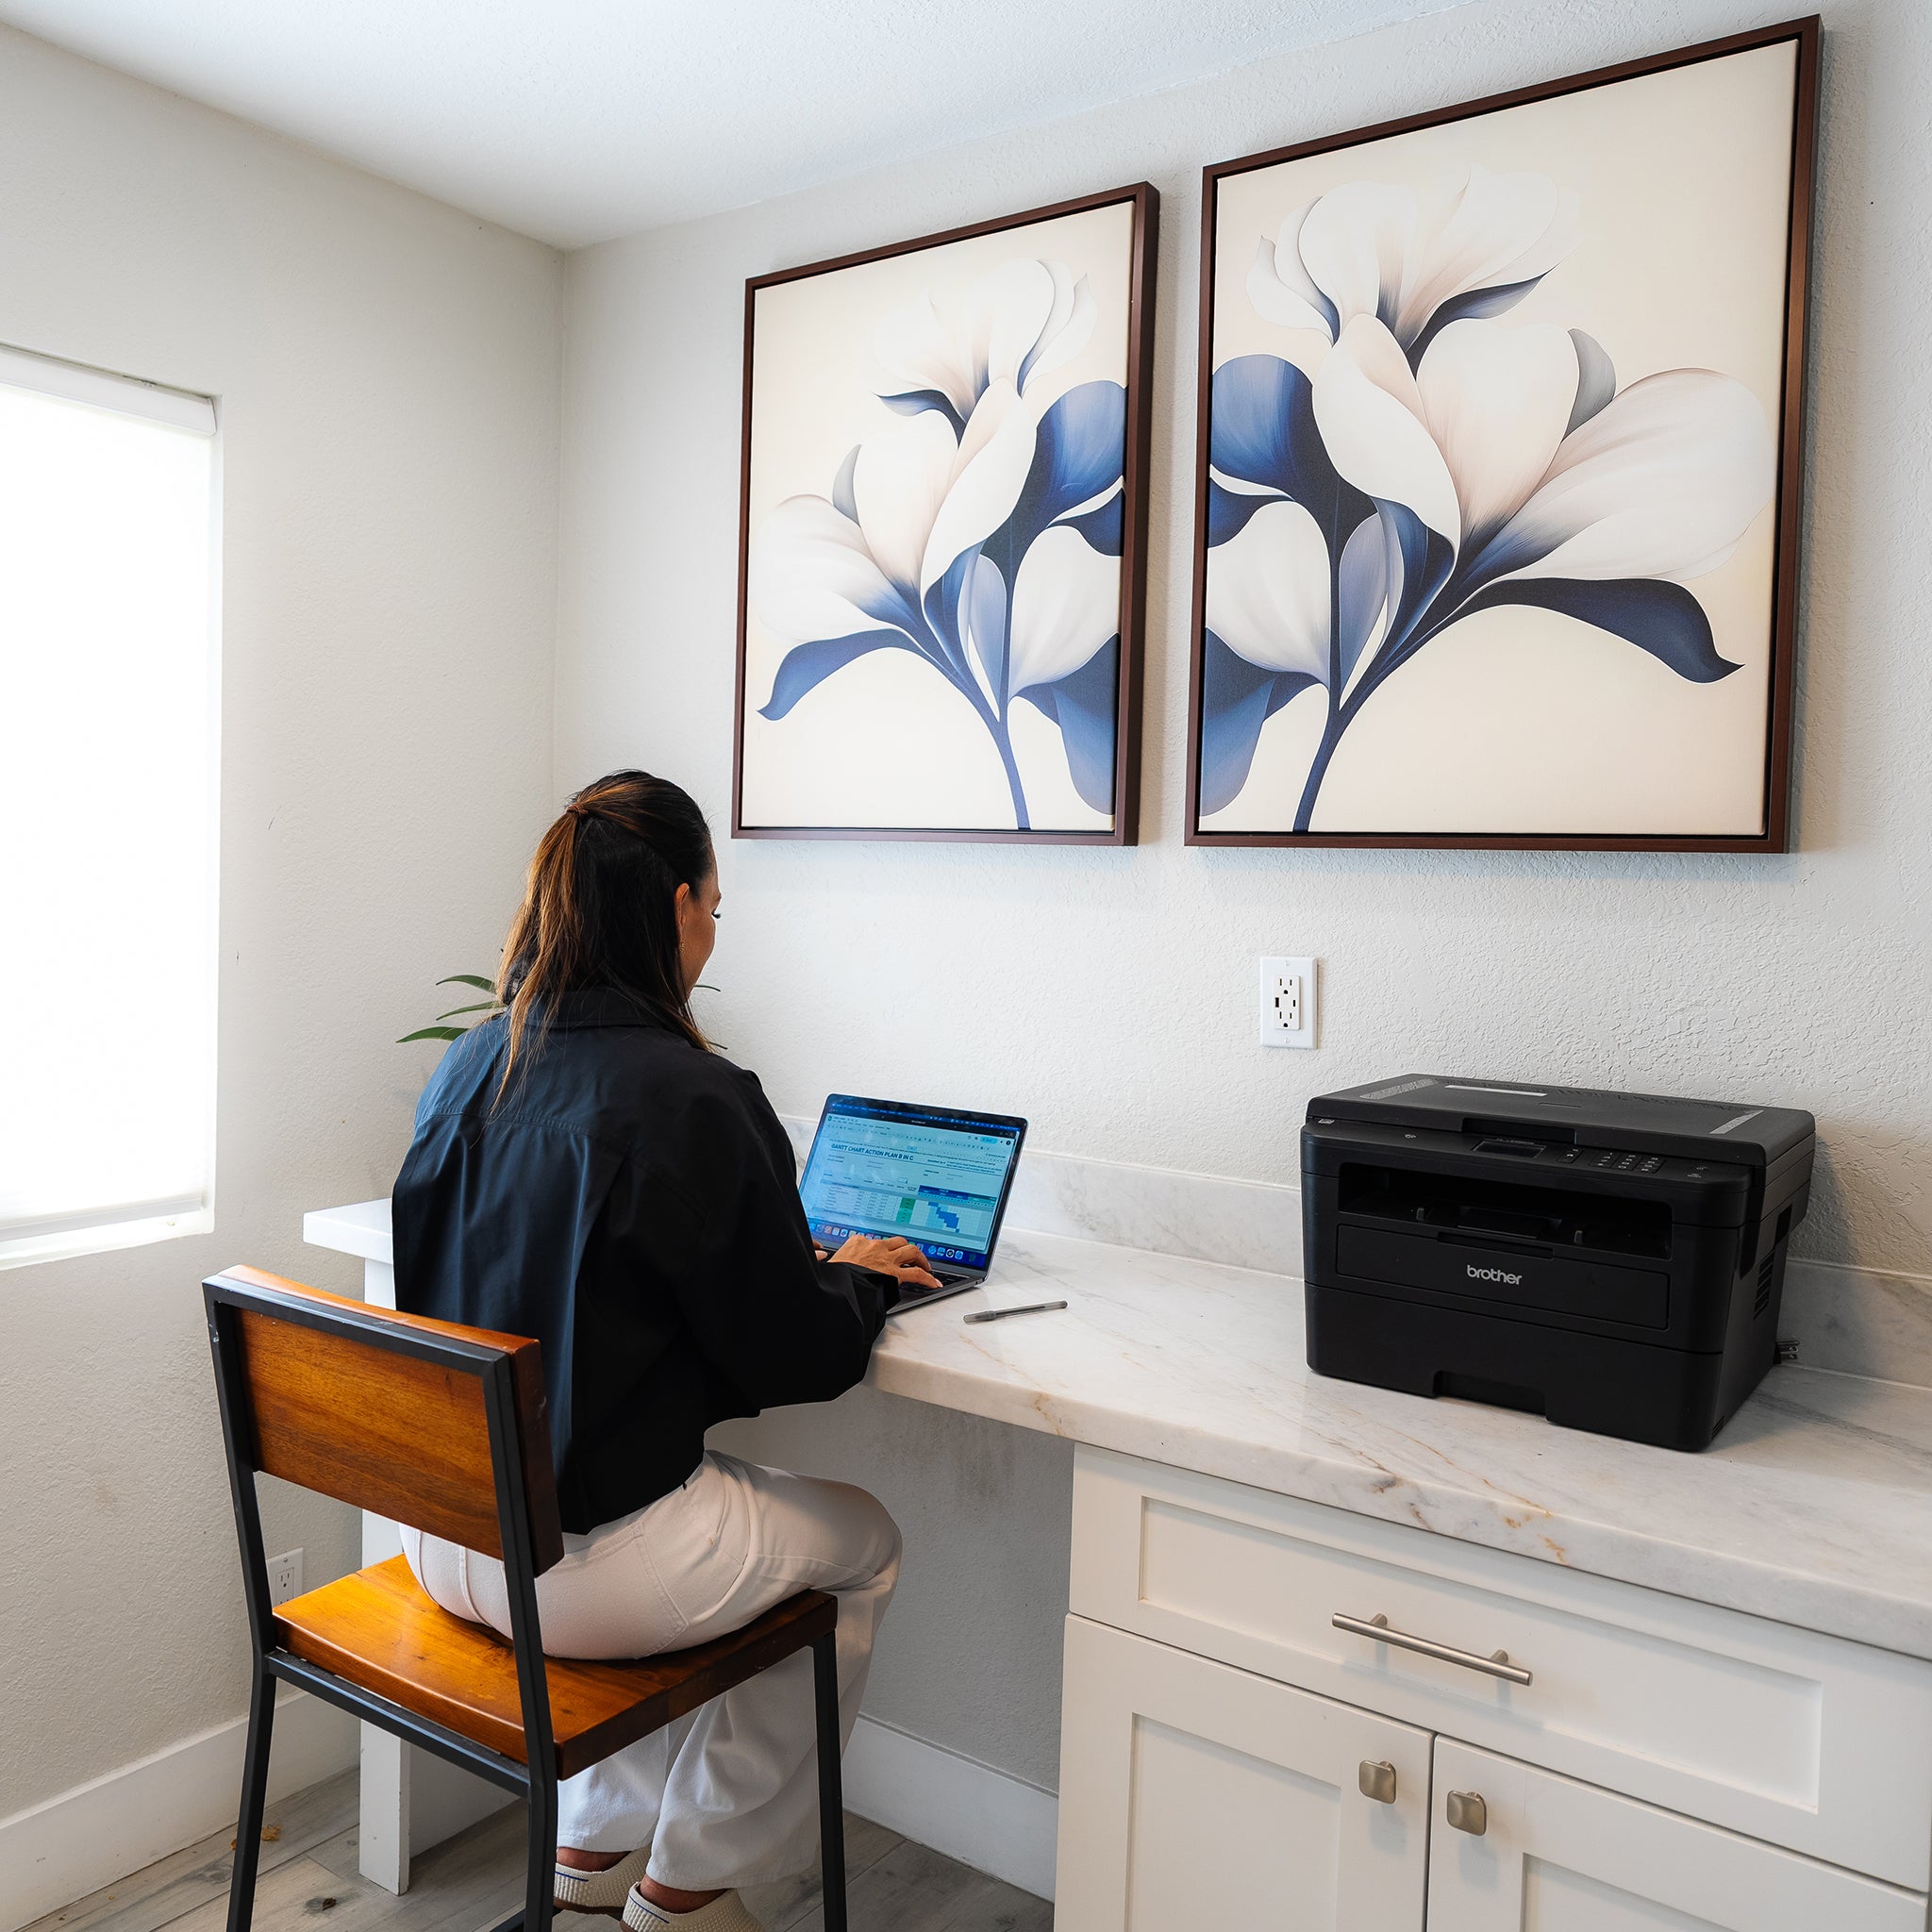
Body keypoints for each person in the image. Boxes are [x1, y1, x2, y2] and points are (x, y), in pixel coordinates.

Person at [391, 770, 939, 1932]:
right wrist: (861, 1282)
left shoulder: (467, 1065)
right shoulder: (695, 1093)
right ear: (678, 906)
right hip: (577, 1577)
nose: (710, 932)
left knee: (675, 1510)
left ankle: (590, 1850)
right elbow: (795, 1354)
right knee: (862, 1543)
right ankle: (693, 1885)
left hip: (444, 1534)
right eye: (714, 908)